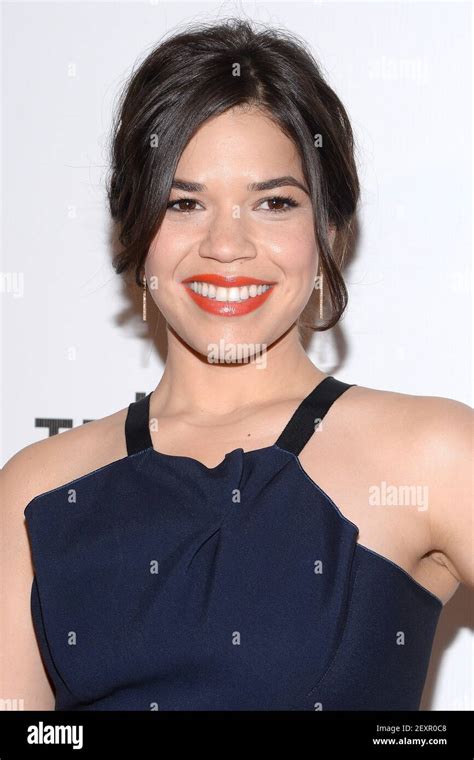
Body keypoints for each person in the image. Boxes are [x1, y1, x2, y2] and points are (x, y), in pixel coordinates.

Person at [1, 18, 472, 712]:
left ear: (331, 229)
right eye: (185, 203)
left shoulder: (433, 454)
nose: (227, 245)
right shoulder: (38, 489)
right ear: (135, 228)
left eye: (274, 202)